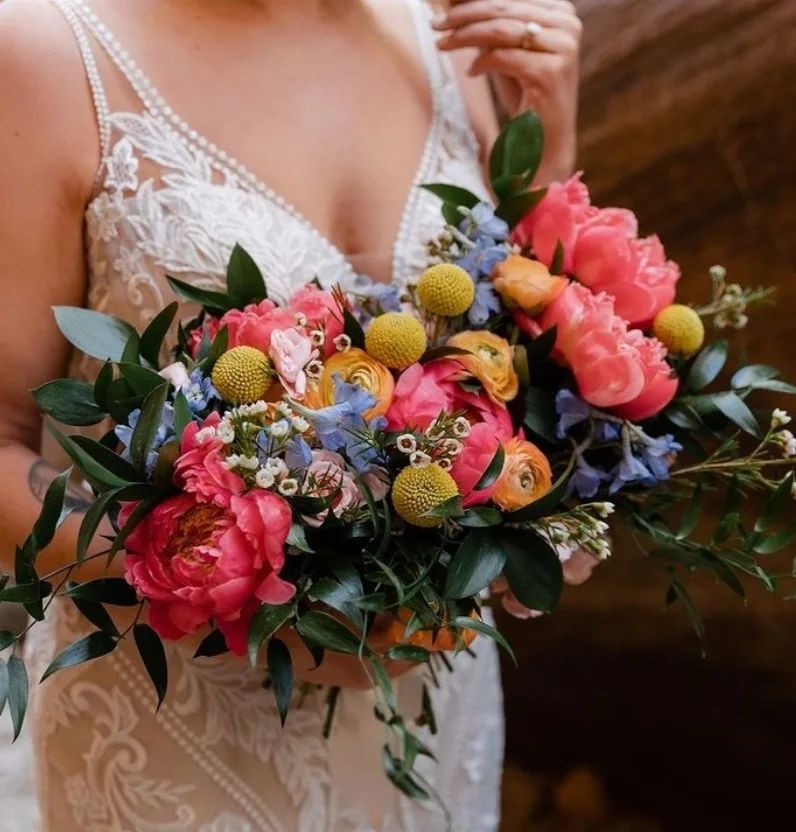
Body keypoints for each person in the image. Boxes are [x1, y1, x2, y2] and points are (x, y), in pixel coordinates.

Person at [0, 0, 580, 828]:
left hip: (424, 721)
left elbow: (507, 361)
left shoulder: (454, 33)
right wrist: (253, 602)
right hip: (180, 737)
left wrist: (548, 151)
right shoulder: (43, 55)